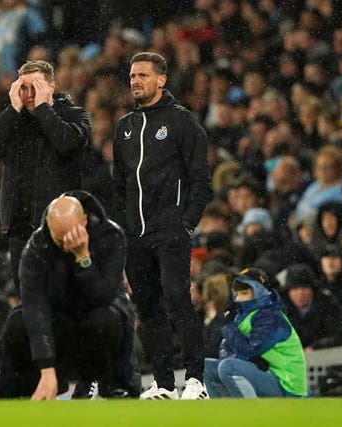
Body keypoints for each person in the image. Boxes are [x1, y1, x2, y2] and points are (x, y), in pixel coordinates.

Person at [112, 51, 212, 399]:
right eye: (132, 76)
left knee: (177, 300)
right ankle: (164, 383)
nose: (135, 81)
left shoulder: (182, 121)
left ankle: (196, 380)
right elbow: (119, 184)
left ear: (161, 80)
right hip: (135, 235)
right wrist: (122, 230)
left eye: (142, 75)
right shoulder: (124, 127)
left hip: (170, 231)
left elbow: (202, 180)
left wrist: (186, 224)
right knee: (148, 308)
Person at [0, 191, 136, 399]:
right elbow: (34, 307)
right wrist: (47, 368)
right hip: (59, 320)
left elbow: (104, 296)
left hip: (95, 320)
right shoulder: (37, 246)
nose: (64, 245)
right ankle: (38, 384)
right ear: (48, 227)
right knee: (18, 321)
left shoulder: (110, 236)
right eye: (58, 239)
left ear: (85, 219)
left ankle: (105, 382)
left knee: (108, 319)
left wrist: (83, 259)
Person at [0, 59, 91, 289]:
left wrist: (43, 109)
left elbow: (66, 143)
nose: (29, 94)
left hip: (58, 226)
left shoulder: (74, 115)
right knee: (27, 296)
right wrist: (11, 109)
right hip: (20, 227)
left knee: (61, 294)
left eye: (36, 87)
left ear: (52, 87)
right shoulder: (14, 120)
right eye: (24, 88)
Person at [204, 268, 308, 398]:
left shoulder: (270, 316)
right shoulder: (243, 315)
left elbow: (248, 351)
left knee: (228, 368)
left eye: (244, 293)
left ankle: (251, 413)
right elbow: (227, 351)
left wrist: (229, 326)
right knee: (205, 367)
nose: (239, 298)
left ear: (260, 292)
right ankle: (224, 414)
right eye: (237, 293)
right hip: (266, 374)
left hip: (286, 383)